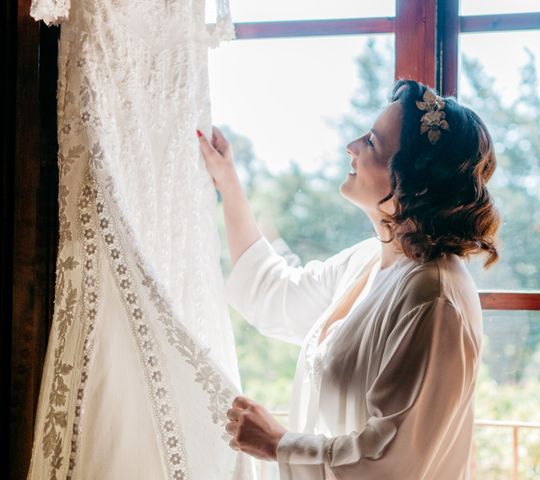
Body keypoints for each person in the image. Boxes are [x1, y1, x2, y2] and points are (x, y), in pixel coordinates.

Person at [197, 79, 500, 479]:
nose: (351, 146)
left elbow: (393, 463)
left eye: (372, 143)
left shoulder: (434, 299)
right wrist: (228, 183)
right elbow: (275, 295)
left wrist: (278, 443)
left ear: (411, 181)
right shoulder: (368, 259)